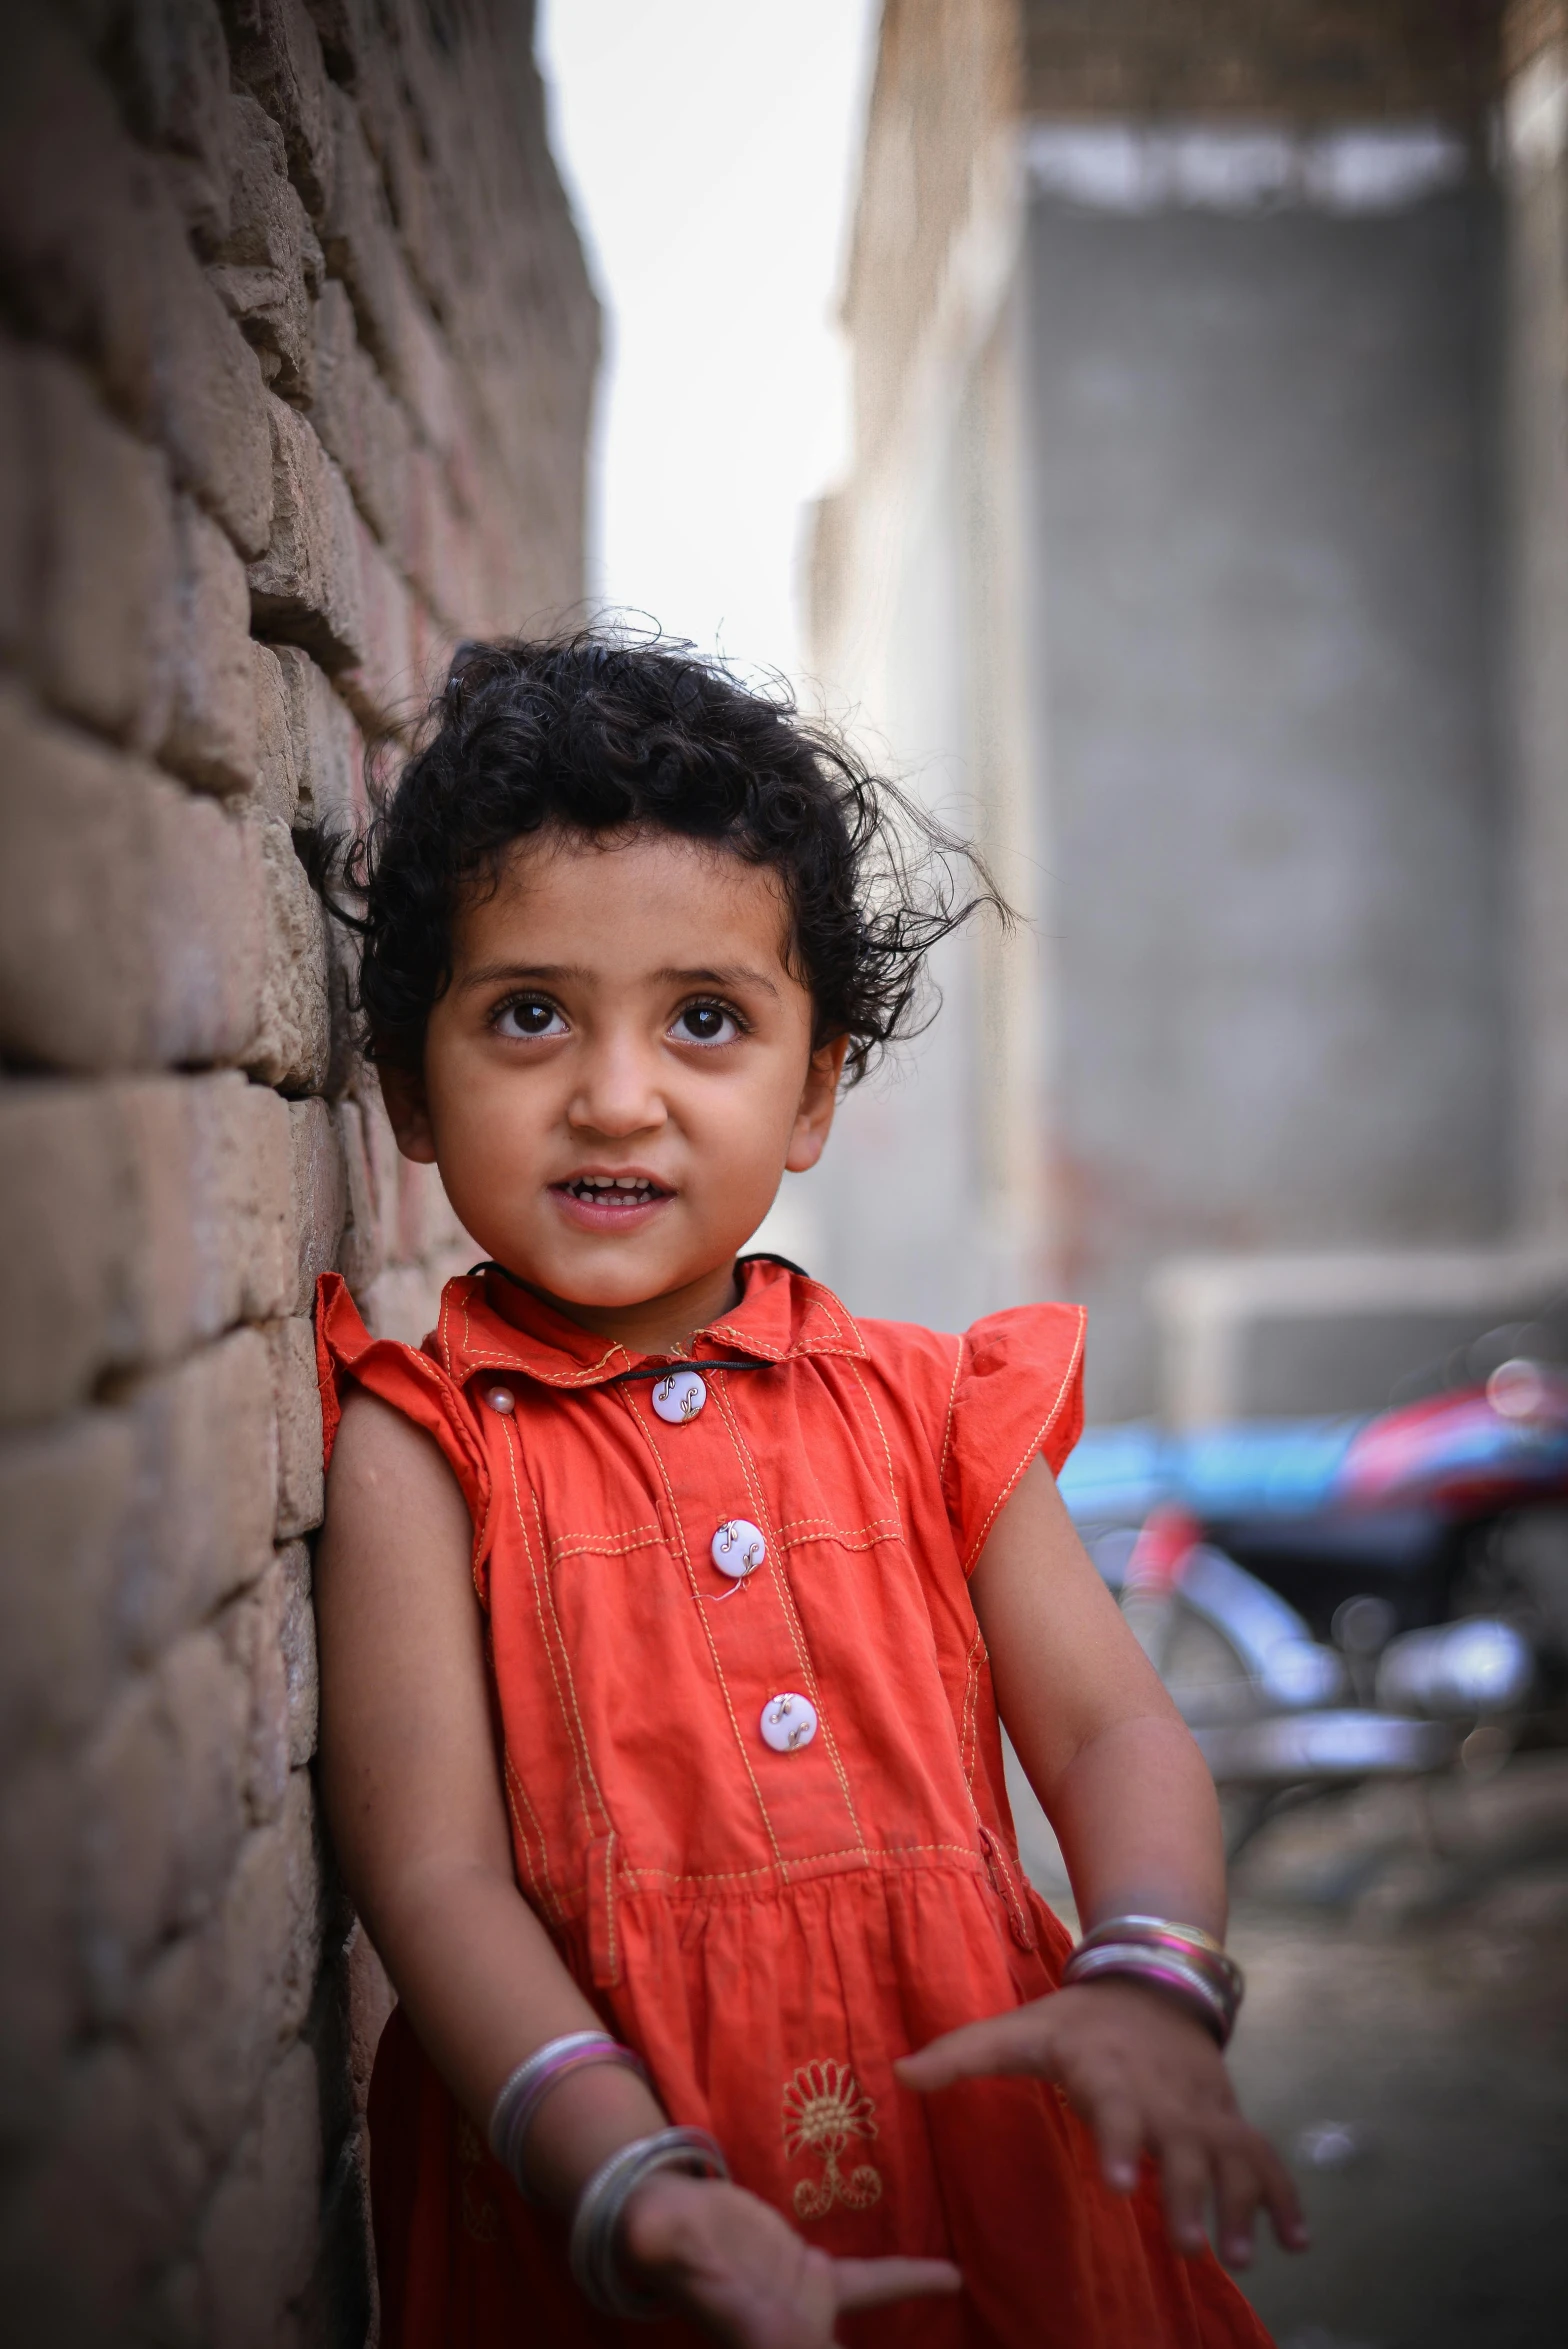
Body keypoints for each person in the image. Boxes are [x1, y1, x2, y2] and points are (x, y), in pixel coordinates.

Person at [313, 635, 1306, 2348]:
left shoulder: (936, 1413)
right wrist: (635, 2183)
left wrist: (1147, 1974)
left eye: (706, 1020)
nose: (615, 1097)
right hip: (609, 2187)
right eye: (529, 1013)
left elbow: (1110, 1734)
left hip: (986, 2144)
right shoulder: (427, 1447)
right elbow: (435, 1884)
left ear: (814, 1090)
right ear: (411, 1086)